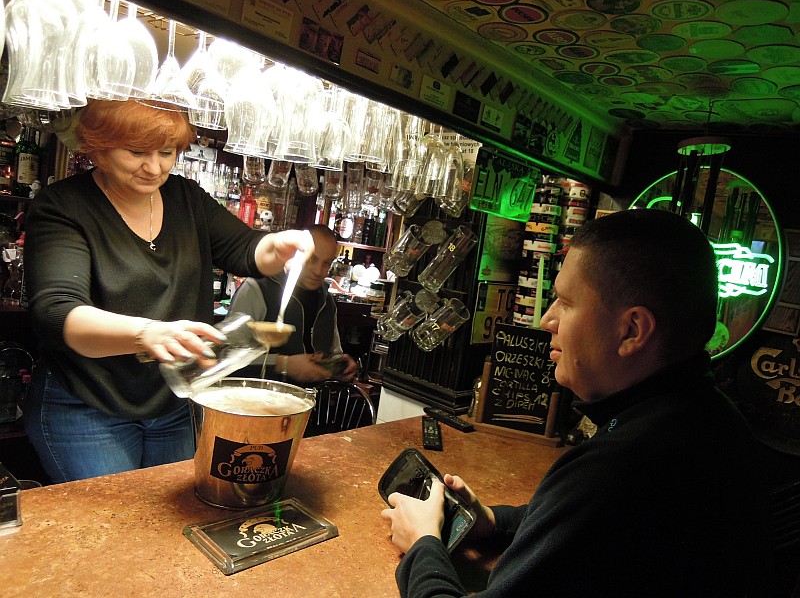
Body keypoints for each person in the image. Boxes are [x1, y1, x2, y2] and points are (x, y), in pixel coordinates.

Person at [381, 209, 773, 597]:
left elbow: (598, 505)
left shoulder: (620, 466)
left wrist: (423, 543)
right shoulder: (709, 415)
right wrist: (494, 522)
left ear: (632, 330)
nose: (546, 320)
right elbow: (594, 528)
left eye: (565, 302)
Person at [23, 98, 313, 484]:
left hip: (174, 398)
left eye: (165, 152)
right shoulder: (64, 206)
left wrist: (277, 246)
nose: (154, 167)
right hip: (86, 403)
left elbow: (246, 250)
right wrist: (147, 333)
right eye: (136, 152)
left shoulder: (185, 198)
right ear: (98, 148)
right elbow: (57, 312)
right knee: (118, 518)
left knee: (173, 514)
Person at [226, 224, 358, 385]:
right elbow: (227, 357)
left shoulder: (327, 301)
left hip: (310, 398)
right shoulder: (258, 288)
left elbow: (332, 352)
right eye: (312, 259)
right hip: (260, 396)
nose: (318, 271)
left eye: (326, 263)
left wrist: (339, 365)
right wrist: (283, 365)